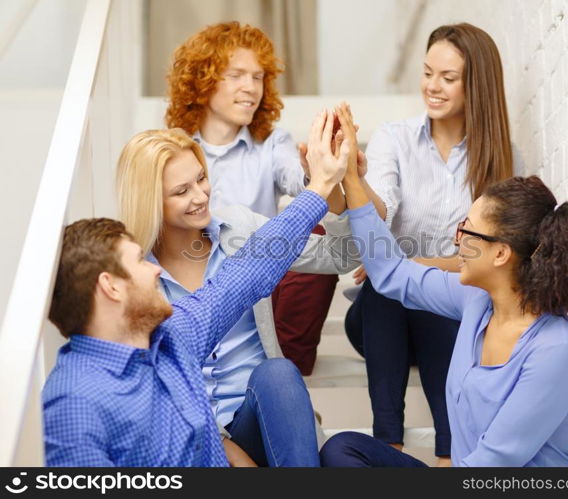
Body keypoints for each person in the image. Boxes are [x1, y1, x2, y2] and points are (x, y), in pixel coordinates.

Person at [42, 110, 349, 467]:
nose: (154, 273)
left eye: (200, 180)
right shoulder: (73, 401)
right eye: (139, 264)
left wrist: (322, 186)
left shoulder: (173, 339)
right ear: (110, 286)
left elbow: (248, 273)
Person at [322, 109, 568, 466]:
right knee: (344, 449)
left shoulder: (557, 350)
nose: (457, 243)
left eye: (466, 232)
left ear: (501, 253)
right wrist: (351, 179)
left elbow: (492, 463)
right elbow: (390, 272)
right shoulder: (475, 301)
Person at [343, 23, 519, 464]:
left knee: (443, 294)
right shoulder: (395, 138)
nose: (432, 87)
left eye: (448, 77)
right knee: (390, 289)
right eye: (426, 73)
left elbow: (484, 258)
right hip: (380, 319)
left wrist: (413, 263)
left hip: (450, 319)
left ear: (474, 85)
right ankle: (389, 444)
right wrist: (355, 177)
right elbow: (379, 214)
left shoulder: (498, 156)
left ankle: (449, 455)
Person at [165, 21, 341, 375]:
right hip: (195, 286)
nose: (251, 88)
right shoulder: (172, 145)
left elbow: (303, 184)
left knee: (315, 236)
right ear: (203, 80)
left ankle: (282, 378)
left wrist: (319, 171)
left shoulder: (272, 142)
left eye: (258, 77)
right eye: (236, 75)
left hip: (260, 289)